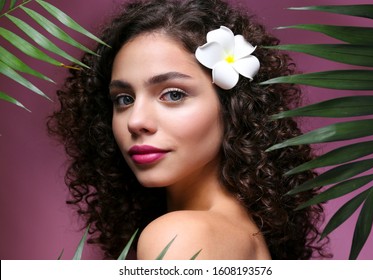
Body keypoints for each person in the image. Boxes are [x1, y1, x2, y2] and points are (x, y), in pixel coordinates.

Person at [47, 0, 329, 260]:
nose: (135, 121)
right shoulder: (237, 232)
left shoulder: (182, 235)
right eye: (124, 99)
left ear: (233, 106)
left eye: (172, 94)